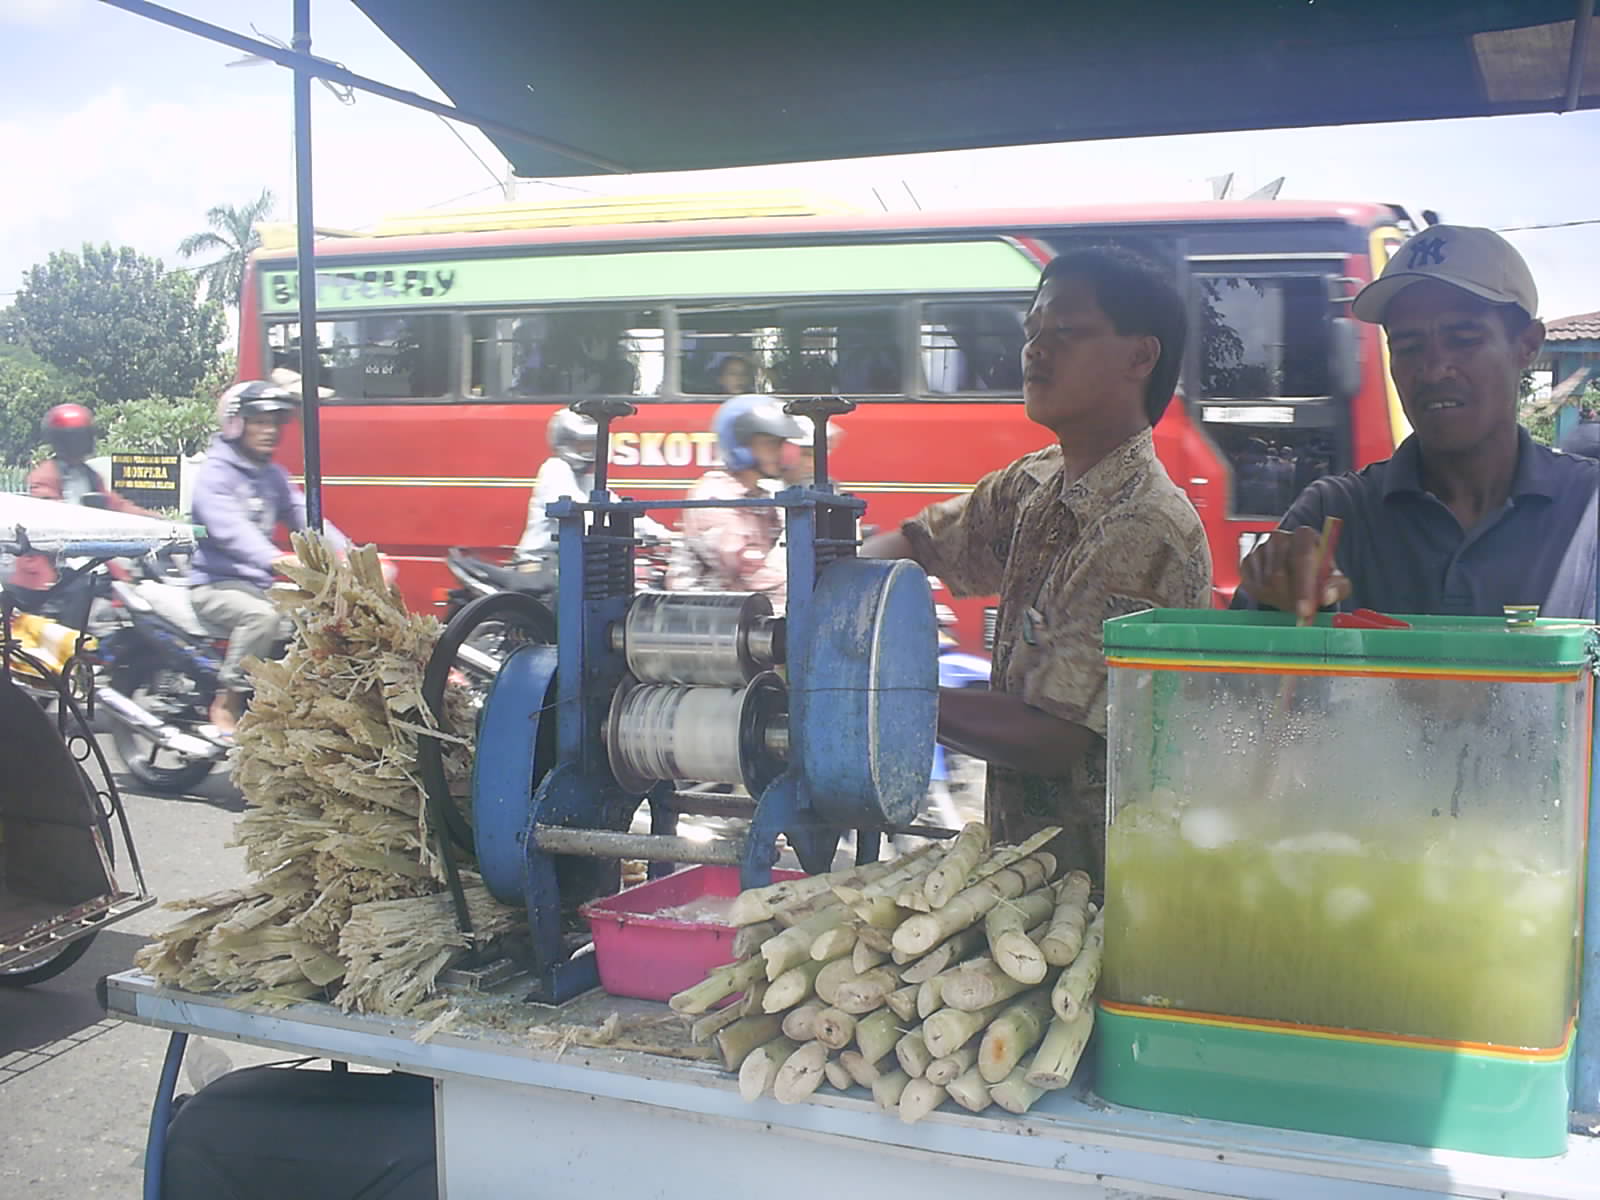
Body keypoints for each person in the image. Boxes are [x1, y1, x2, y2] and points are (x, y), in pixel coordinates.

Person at [862, 247, 1213, 881]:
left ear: (1141, 356)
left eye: (1066, 332)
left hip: (1104, 889)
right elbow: (917, 542)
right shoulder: (1035, 485)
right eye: (1032, 333)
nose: (1035, 350)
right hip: (1026, 875)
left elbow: (1053, 736)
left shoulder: (1144, 525)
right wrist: (838, 594)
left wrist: (867, 697)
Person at [1237, 226, 1598, 621]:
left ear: (1527, 345)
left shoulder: (1588, 512)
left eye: (1463, 339)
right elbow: (1237, 674)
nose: (1432, 370)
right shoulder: (1333, 514)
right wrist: (1275, 599)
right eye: (1408, 347)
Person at [190, 380, 347, 736]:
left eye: (276, 422)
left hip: (258, 583)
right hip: (215, 584)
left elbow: (308, 519)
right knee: (261, 618)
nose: (271, 431)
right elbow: (230, 531)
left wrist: (352, 555)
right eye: (260, 421)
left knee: (312, 619)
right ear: (235, 422)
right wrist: (278, 559)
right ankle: (227, 700)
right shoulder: (215, 474)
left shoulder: (272, 476)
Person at [10, 404, 159, 614]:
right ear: (61, 440)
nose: (79, 444)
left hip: (88, 561)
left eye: (82, 437)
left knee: (133, 586)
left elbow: (117, 506)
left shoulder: (88, 474)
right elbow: (51, 517)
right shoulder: (44, 476)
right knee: (80, 607)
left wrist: (158, 521)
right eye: (74, 438)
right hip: (54, 570)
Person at [668, 394, 803, 599]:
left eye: (780, 444)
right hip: (705, 616)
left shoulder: (761, 496)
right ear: (741, 445)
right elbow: (751, 574)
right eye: (770, 443)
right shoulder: (714, 498)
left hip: (746, 612)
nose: (779, 453)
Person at [513, 408, 600, 574]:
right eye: (583, 444)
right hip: (538, 565)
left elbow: (614, 506)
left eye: (592, 444)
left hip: (564, 561)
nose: (589, 450)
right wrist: (607, 528)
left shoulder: (586, 478)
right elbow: (580, 512)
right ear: (565, 442)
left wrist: (662, 534)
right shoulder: (555, 470)